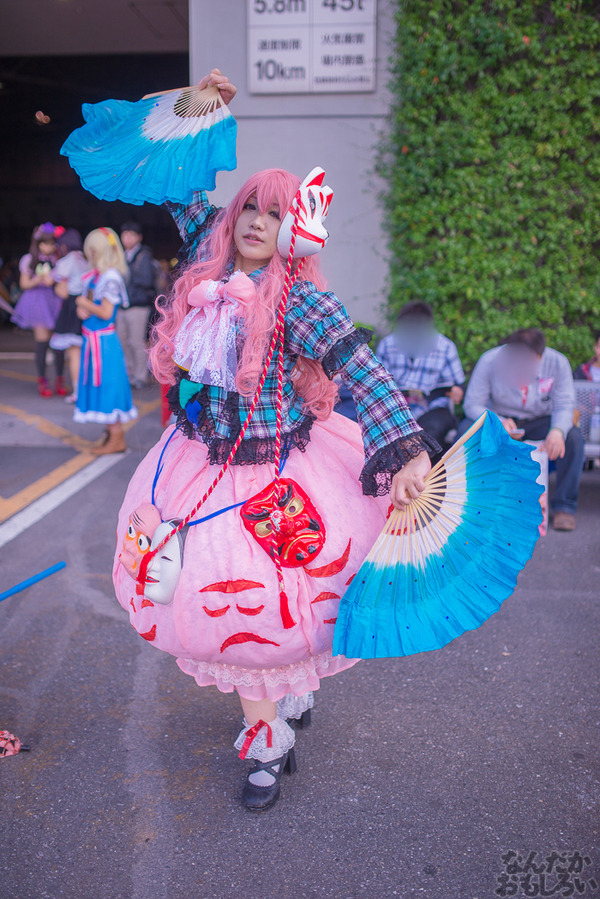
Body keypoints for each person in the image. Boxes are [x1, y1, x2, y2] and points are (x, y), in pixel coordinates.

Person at [111, 69, 439, 812]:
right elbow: (177, 181)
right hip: (194, 463)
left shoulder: (302, 299)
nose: (257, 220)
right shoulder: (206, 256)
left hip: (274, 476)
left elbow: (363, 365)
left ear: (295, 229)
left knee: (276, 605)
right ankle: (276, 710)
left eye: (275, 212)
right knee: (209, 600)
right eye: (249, 207)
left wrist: (409, 448)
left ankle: (266, 741)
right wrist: (197, 108)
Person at [460, 328, 584, 531]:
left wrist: (557, 431)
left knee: (573, 439)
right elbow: (472, 404)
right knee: (467, 429)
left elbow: (564, 405)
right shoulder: (490, 360)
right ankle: (472, 502)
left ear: (540, 355)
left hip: (540, 420)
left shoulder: (558, 362)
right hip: (502, 419)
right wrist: (496, 420)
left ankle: (564, 507)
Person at [74, 228, 137, 454]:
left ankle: (116, 438)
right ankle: (110, 435)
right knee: (102, 388)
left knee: (108, 387)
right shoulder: (98, 275)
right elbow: (93, 309)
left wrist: (82, 302)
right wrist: (83, 309)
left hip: (104, 344)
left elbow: (105, 312)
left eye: (94, 249)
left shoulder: (110, 277)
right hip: (95, 343)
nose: (90, 252)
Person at [376, 301, 465, 447]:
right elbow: (377, 380)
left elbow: (458, 384)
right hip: (395, 408)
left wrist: (457, 392)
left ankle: (422, 467)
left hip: (433, 409)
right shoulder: (388, 344)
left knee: (430, 432)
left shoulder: (445, 346)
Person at [11, 222, 64, 397]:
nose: (48, 247)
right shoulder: (29, 259)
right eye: (45, 243)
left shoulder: (58, 259)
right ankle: (42, 379)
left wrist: (54, 280)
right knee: (42, 342)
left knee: (59, 344)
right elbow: (24, 284)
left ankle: (59, 379)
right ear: (38, 243)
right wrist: (40, 279)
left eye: (51, 243)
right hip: (37, 302)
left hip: (55, 300)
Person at [50, 228, 88, 402]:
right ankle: (86, 390)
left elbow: (63, 292)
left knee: (74, 353)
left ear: (63, 246)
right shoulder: (86, 259)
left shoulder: (65, 261)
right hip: (87, 304)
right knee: (86, 352)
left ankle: (78, 393)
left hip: (72, 307)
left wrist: (55, 286)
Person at [117, 221, 157, 389]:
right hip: (122, 305)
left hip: (138, 305)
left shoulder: (143, 255)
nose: (127, 238)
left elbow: (147, 280)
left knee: (136, 342)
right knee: (123, 341)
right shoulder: (121, 255)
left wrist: (128, 276)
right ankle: (129, 373)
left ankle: (140, 375)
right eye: (125, 234)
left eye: (131, 235)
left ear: (139, 237)